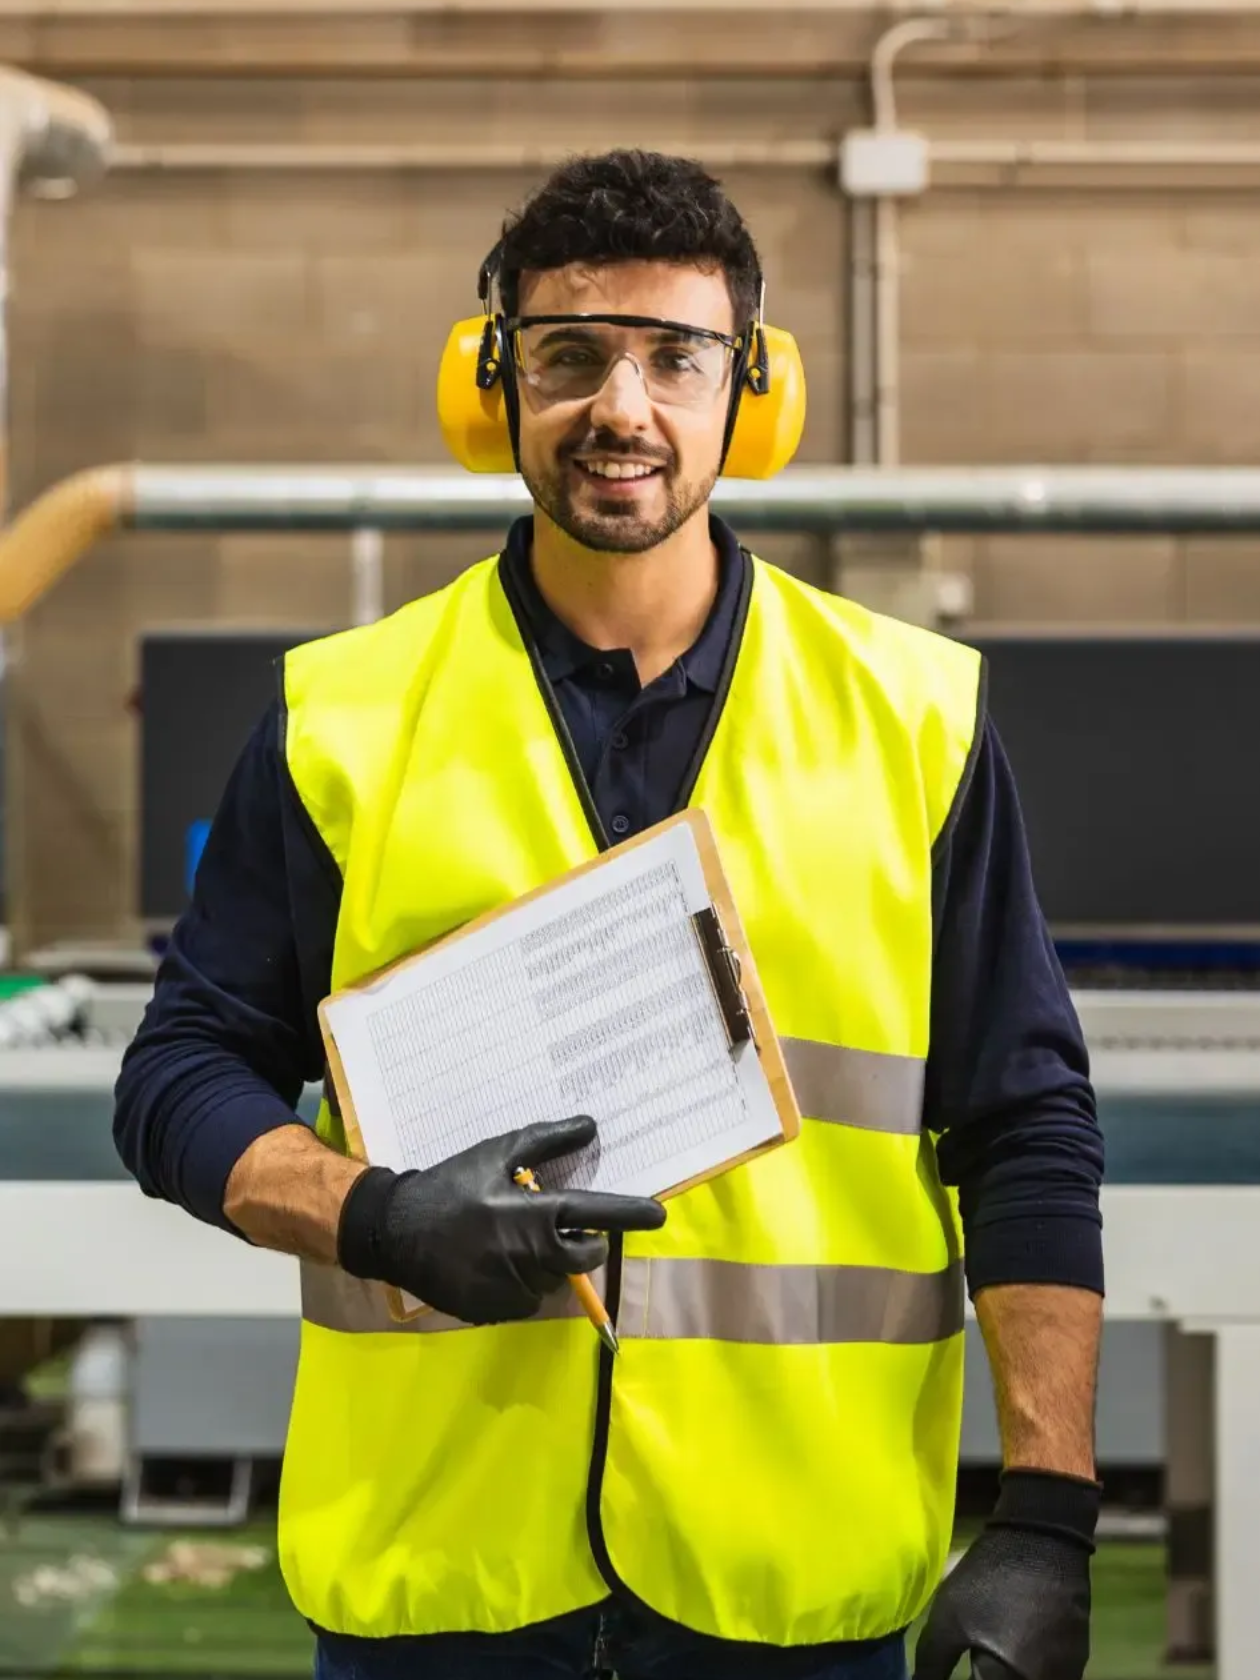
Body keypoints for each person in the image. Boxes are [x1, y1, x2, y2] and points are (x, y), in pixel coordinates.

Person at [114, 149, 1105, 1680]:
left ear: (751, 393)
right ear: (493, 388)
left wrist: (1047, 1513)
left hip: (787, 1573)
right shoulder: (344, 721)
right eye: (570, 356)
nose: (622, 408)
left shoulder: (915, 724)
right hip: (441, 1576)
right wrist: (376, 1219)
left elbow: (1024, 1123)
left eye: (676, 358)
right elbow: (175, 1078)